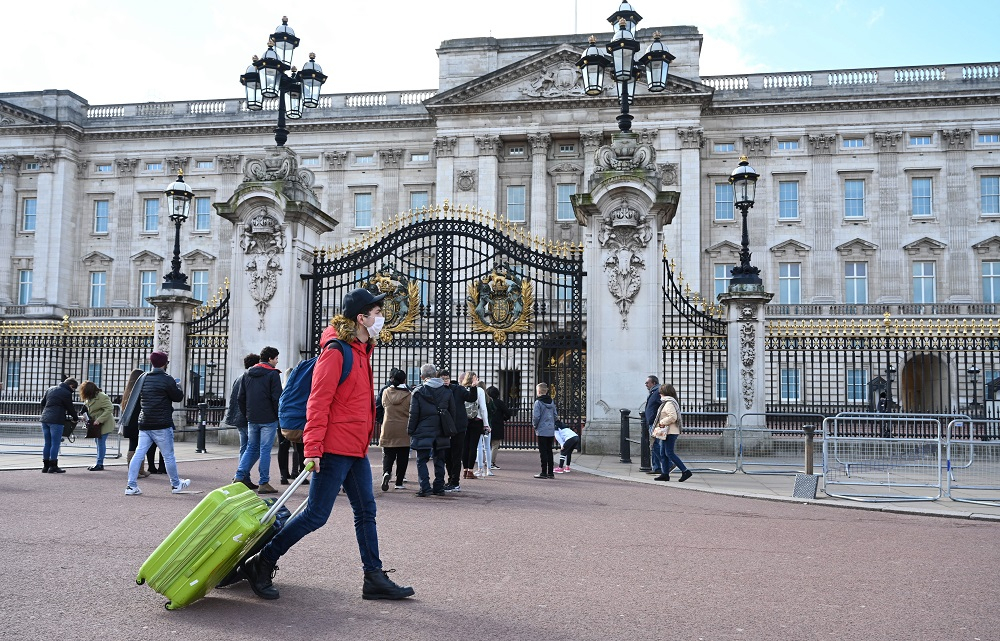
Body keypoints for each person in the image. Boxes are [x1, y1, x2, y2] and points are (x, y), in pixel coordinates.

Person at [243, 287, 414, 602]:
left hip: (355, 448)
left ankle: (373, 577)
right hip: (335, 447)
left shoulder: (362, 351)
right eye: (377, 313)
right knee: (315, 515)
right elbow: (318, 402)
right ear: (361, 318)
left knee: (366, 510)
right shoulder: (337, 351)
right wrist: (313, 448)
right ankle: (262, 560)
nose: (381, 318)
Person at [123, 351, 190, 495]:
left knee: (139, 454)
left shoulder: (143, 377)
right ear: (165, 363)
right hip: (161, 423)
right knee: (168, 456)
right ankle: (176, 484)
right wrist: (178, 386)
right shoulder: (167, 379)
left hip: (145, 422)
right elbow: (177, 397)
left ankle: (131, 485)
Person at [234, 346, 283, 495]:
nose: (277, 361)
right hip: (268, 418)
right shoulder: (273, 374)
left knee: (251, 447)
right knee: (265, 450)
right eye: (276, 358)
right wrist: (278, 416)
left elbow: (240, 398)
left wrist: (248, 414)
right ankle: (264, 482)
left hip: (252, 417)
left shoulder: (247, 373)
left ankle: (239, 476)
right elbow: (277, 399)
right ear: (270, 359)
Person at [406, 363, 453, 497]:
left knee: (421, 460)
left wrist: (410, 429)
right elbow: (452, 412)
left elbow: (413, 414)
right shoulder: (447, 391)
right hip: (441, 429)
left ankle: (425, 487)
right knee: (440, 460)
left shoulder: (418, 391)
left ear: (422, 376)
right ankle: (439, 487)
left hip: (423, 429)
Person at [379, 368, 412, 491]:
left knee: (388, 454)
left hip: (388, 426)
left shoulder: (386, 392)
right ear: (404, 380)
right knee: (402, 457)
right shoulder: (409, 394)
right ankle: (399, 482)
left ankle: (386, 472)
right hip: (404, 427)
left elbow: (383, 405)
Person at [651, 383, 692, 482]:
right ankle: (665, 474)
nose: (659, 394)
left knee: (669, 453)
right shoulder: (667, 402)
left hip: (671, 432)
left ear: (664, 392)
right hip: (667, 431)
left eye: (660, 392)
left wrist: (662, 422)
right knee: (663, 453)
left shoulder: (669, 403)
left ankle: (685, 471)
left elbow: (673, 417)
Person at [439, 368, 471, 492]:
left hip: (458, 427)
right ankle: (450, 479)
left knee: (456, 455)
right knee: (447, 455)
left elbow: (470, 398)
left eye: (446, 378)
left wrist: (473, 387)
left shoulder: (458, 389)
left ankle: (455, 481)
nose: (445, 381)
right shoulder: (439, 390)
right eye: (443, 379)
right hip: (445, 426)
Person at [39, 377, 79, 473]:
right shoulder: (66, 393)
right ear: (71, 386)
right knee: (55, 443)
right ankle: (53, 466)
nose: (73, 391)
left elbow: (42, 402)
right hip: (56, 420)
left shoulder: (50, 389)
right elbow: (70, 407)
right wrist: (75, 417)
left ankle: (45, 466)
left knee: (47, 443)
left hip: (45, 418)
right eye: (74, 389)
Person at [225, 353, 261, 457]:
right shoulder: (249, 378)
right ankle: (242, 471)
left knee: (244, 447)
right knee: (253, 448)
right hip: (246, 417)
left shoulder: (239, 378)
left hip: (238, 417)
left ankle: (242, 471)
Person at [459, 371, 491, 479]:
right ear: (474, 379)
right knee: (473, 446)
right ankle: (470, 471)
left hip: (464, 421)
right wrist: (486, 424)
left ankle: (464, 470)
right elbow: (483, 408)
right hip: (477, 420)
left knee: (465, 446)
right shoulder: (479, 390)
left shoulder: (461, 389)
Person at [80, 380, 115, 471]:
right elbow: (88, 408)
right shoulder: (89, 398)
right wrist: (85, 416)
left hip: (104, 423)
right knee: (98, 442)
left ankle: (99, 463)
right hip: (95, 423)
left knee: (100, 442)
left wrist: (99, 420)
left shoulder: (102, 397)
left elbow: (110, 408)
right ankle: (99, 462)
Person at [120, 369, 149, 478]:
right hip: (136, 422)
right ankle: (135, 471)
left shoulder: (128, 391)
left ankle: (140, 470)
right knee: (136, 447)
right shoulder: (138, 392)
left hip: (129, 423)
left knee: (137, 446)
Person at [532, 382, 558, 479]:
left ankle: (543, 472)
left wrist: (535, 426)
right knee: (549, 451)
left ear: (538, 391)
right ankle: (550, 472)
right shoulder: (551, 401)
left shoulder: (538, 402)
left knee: (543, 451)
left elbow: (536, 417)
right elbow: (555, 415)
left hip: (542, 429)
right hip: (551, 429)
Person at [485, 386, 512, 469]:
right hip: (497, 425)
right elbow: (508, 413)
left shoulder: (486, 402)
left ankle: (486, 461)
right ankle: (491, 462)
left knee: (487, 445)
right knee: (495, 445)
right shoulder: (500, 403)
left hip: (487, 424)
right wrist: (503, 418)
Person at [644, 375, 662, 476]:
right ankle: (657, 468)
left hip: (655, 423)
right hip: (651, 422)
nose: (646, 384)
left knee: (655, 445)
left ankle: (668, 464)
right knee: (653, 445)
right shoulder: (653, 392)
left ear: (653, 383)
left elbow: (664, 406)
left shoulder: (658, 392)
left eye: (647, 382)